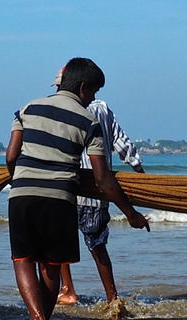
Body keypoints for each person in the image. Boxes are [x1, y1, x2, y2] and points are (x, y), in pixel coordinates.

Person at [4, 58, 149, 320]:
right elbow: (102, 178)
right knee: (50, 264)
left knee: (22, 260)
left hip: (21, 195)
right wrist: (130, 213)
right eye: (93, 92)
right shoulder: (88, 121)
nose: (94, 98)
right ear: (83, 88)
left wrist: (20, 178)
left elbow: (11, 156)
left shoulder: (27, 109)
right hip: (59, 198)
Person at [56, 92, 146, 305]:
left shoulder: (65, 108)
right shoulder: (103, 110)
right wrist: (139, 170)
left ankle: (68, 289)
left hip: (68, 187)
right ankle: (111, 297)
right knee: (97, 245)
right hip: (98, 192)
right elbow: (122, 142)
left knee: (59, 242)